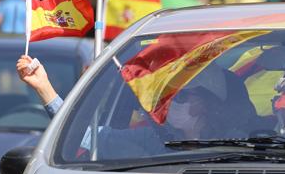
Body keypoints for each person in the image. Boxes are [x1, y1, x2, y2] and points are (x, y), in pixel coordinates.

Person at [16, 55, 241, 159]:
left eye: (178, 96)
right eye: (166, 96)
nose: (167, 104)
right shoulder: (151, 140)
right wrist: (44, 88)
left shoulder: (242, 147)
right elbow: (85, 137)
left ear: (206, 103)